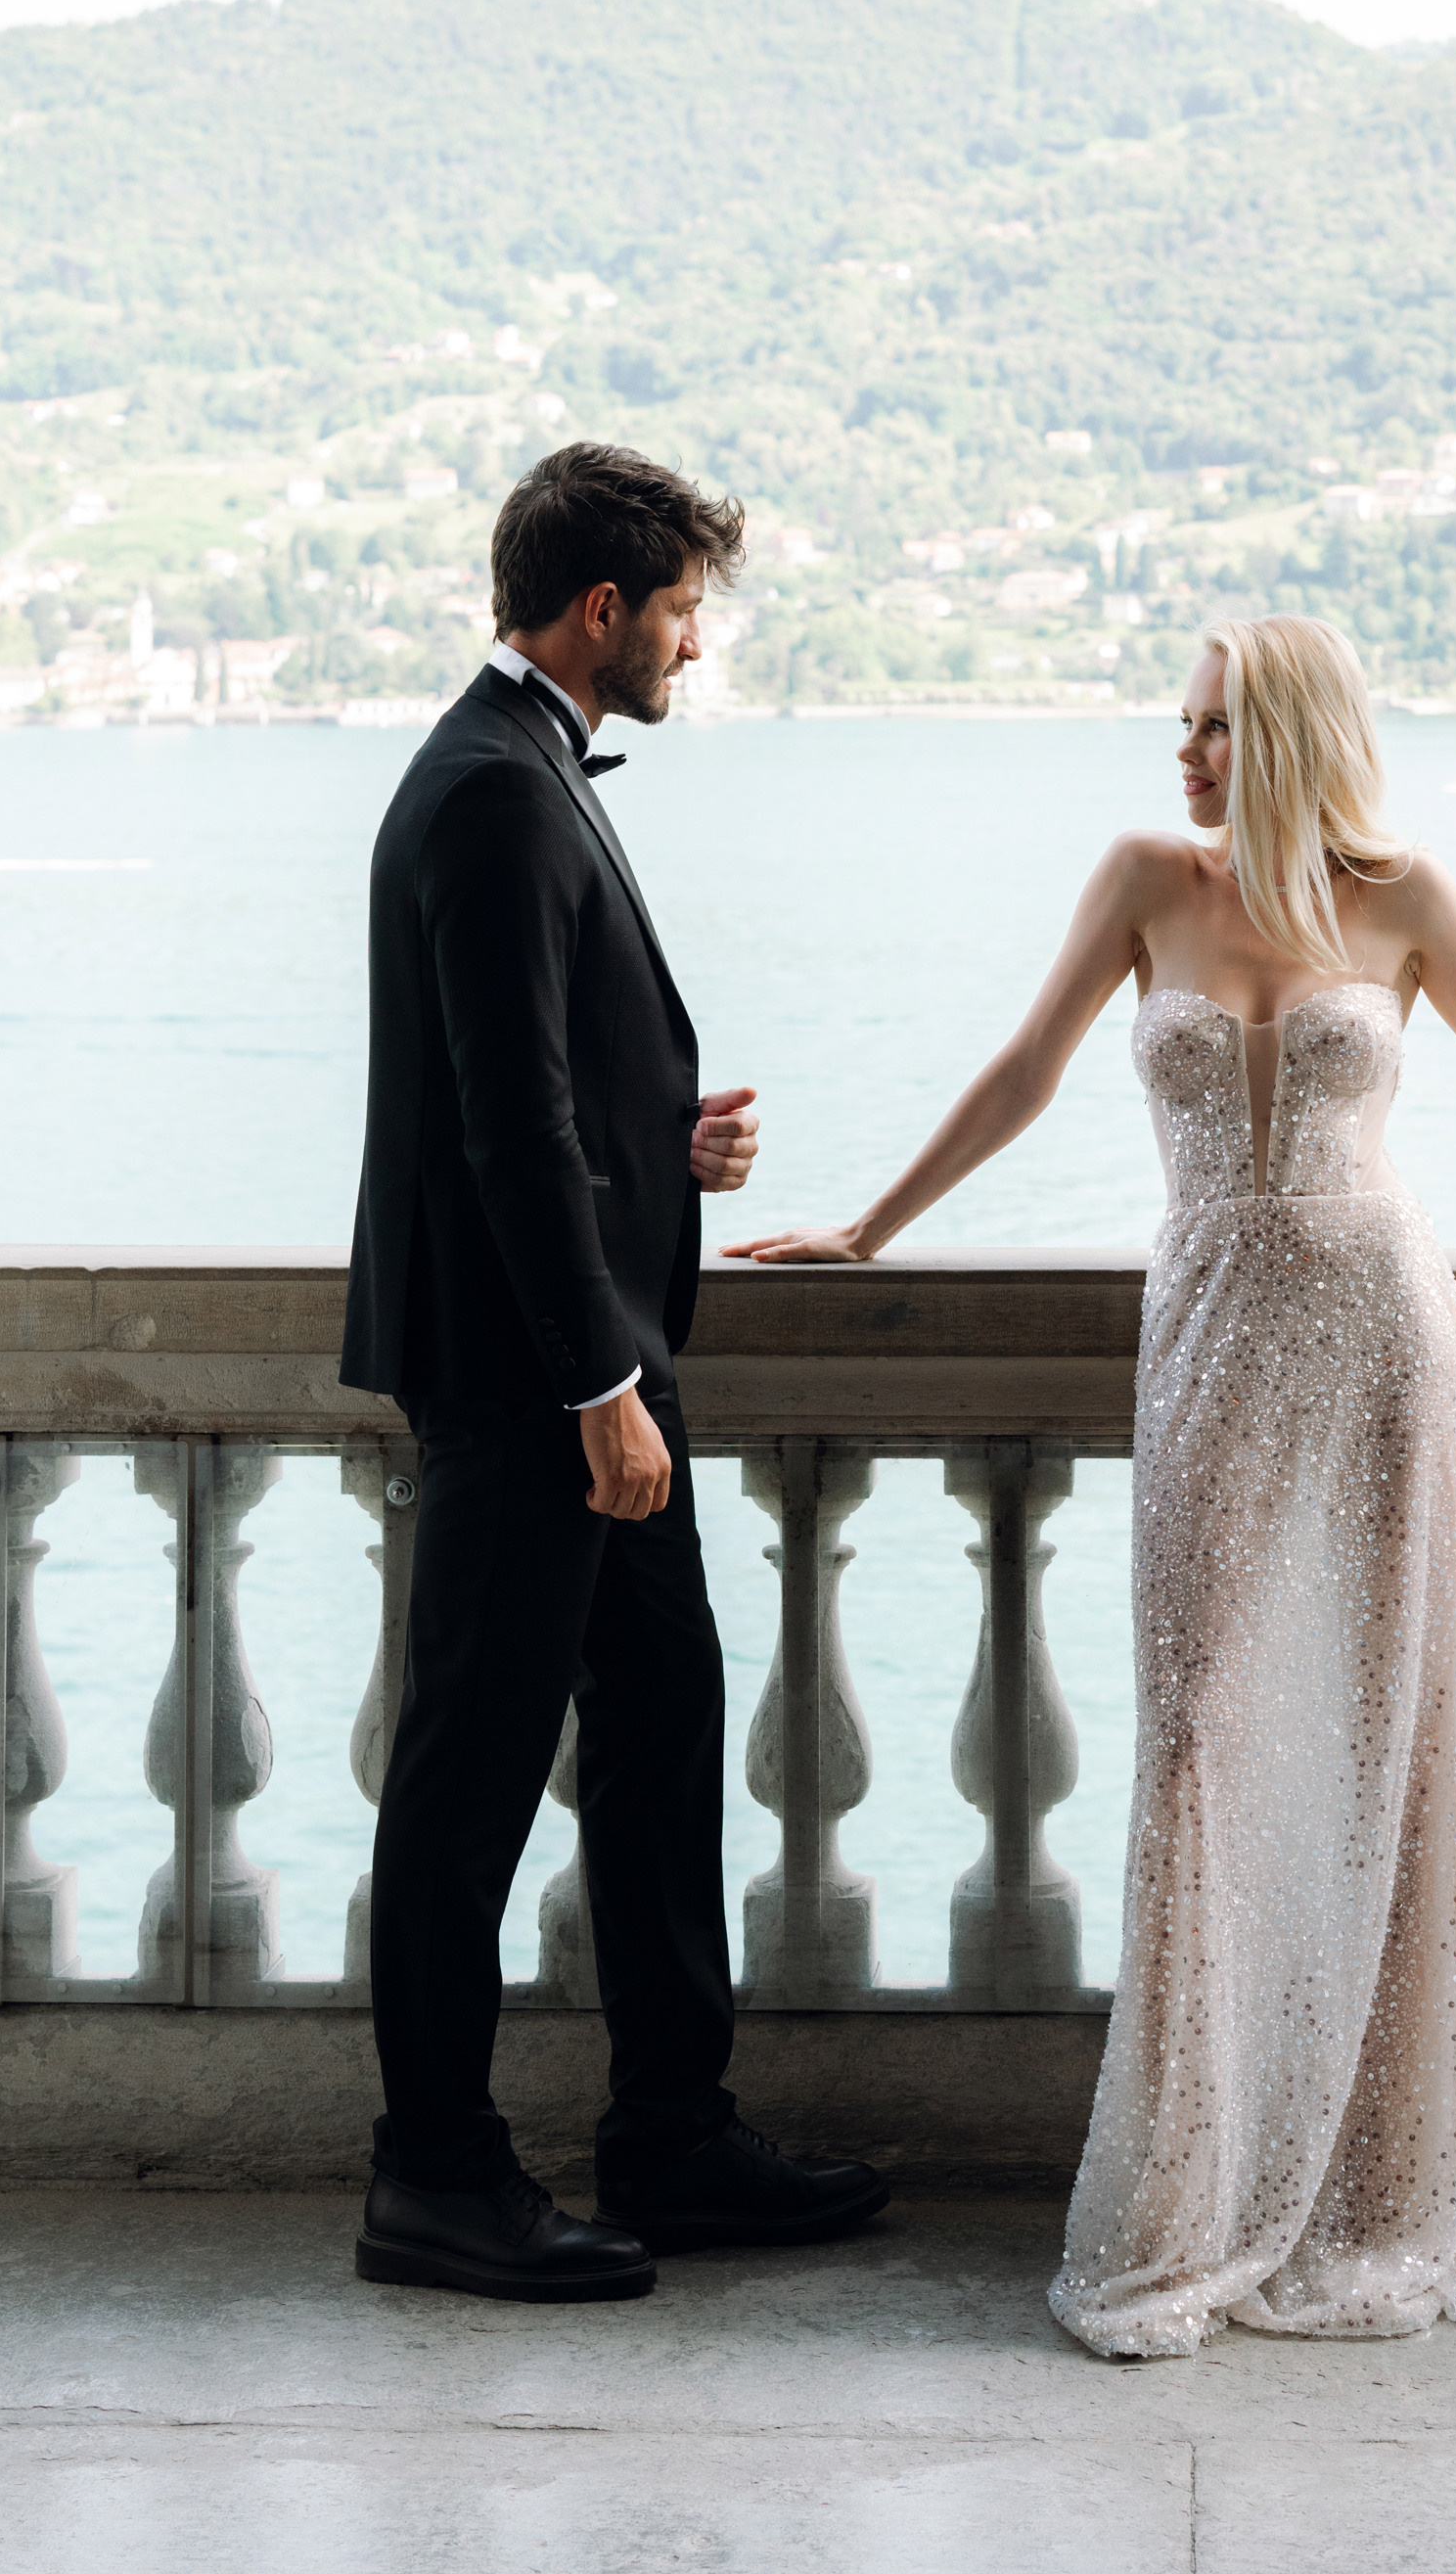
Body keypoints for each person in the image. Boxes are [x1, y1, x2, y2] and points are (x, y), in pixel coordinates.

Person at [728, 609, 1456, 2354]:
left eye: (1213, 724)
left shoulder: (1410, 895)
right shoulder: (1147, 875)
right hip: (1215, 1335)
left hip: (1383, 1338)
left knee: (1398, 1741)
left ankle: (1378, 2182)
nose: (1185, 752)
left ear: (1289, 729)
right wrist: (867, 1224)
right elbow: (1021, 1072)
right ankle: (1191, 2195)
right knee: (1208, 1733)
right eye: (1184, 724)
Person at [341, 441, 887, 2303]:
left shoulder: (517, 771)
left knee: (663, 1730)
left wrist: (671, 1135)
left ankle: (673, 2133)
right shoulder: (494, 793)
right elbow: (498, 1128)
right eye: (679, 613)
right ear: (603, 611)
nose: (691, 650)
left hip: (598, 1375)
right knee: (471, 1774)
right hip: (538, 1390)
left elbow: (564, 1091)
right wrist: (596, 1393)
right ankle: (431, 2173)